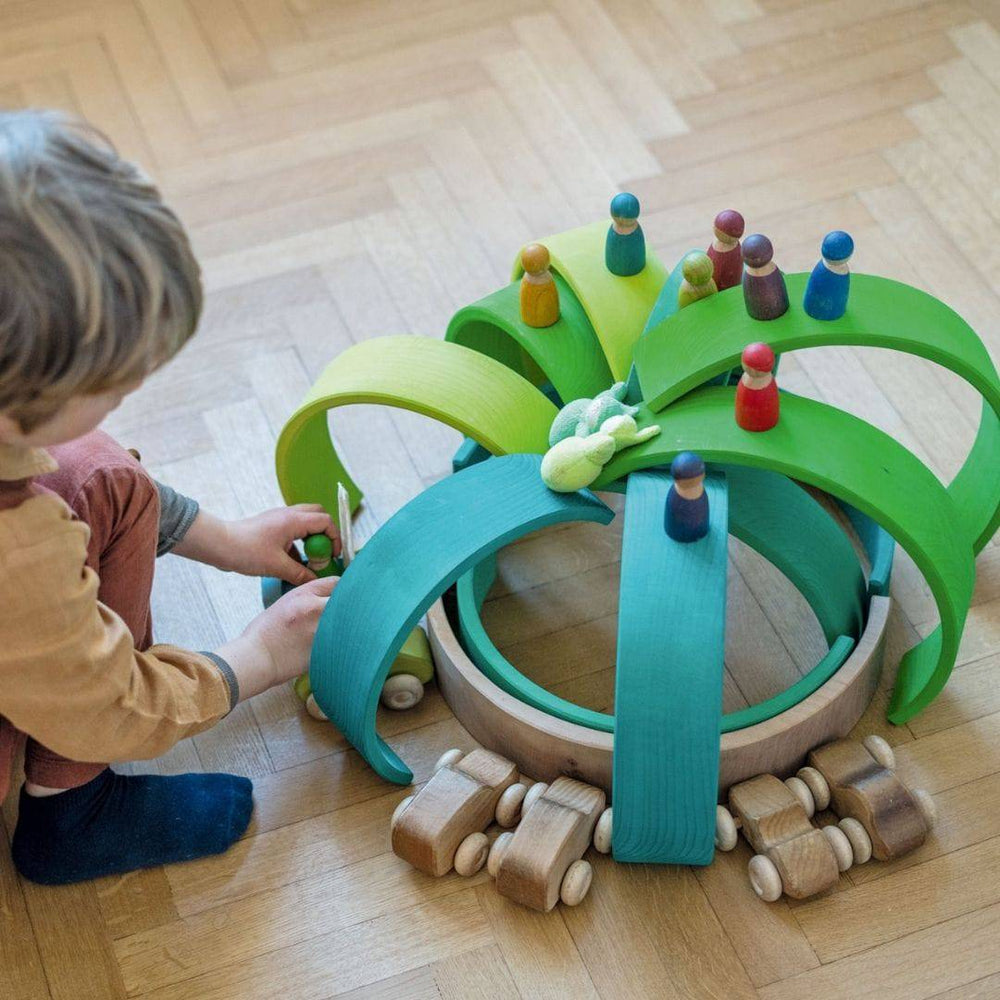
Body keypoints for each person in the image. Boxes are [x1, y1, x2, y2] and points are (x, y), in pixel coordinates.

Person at [0, 109, 341, 885]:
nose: (130, 394)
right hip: (55, 657)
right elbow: (104, 704)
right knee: (84, 475)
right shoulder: (13, 553)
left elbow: (84, 470)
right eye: (113, 386)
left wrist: (222, 539)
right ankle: (72, 816)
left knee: (93, 467)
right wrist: (255, 657)